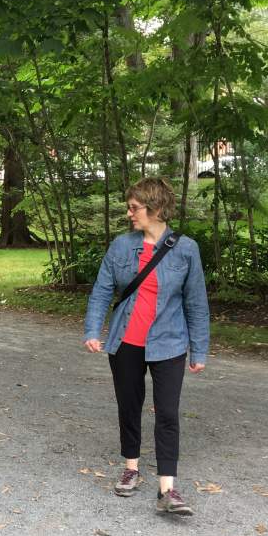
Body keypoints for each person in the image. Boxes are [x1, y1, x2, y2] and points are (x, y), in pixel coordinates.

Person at [83, 177, 210, 516]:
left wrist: (199, 349)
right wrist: (93, 330)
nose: (129, 214)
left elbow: (196, 303)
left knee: (167, 412)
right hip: (126, 342)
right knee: (129, 405)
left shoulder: (186, 249)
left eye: (134, 208)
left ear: (154, 209)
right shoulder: (121, 246)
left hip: (169, 343)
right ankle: (131, 467)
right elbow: (101, 290)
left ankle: (167, 489)